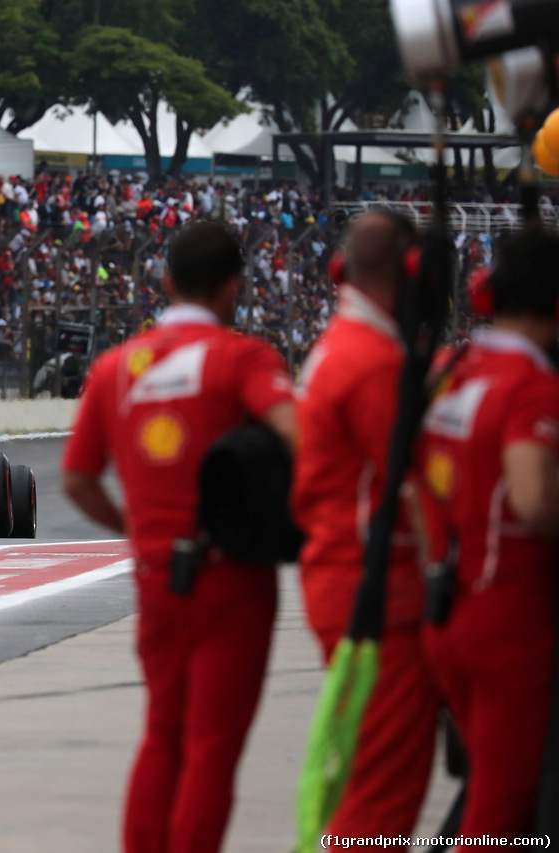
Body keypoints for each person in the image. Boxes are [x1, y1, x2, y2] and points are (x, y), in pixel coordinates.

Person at [61, 221, 295, 853]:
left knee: (162, 733)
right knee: (212, 747)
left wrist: (135, 529)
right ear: (234, 289)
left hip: (158, 575)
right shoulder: (241, 358)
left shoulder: (114, 367)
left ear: (166, 282)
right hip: (233, 576)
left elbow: (77, 478)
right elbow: (297, 431)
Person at [290, 211, 438, 845]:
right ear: (410, 271)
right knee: (383, 794)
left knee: (367, 779)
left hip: (345, 577)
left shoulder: (340, 346)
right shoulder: (373, 361)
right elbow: (416, 490)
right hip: (379, 593)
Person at [416, 225, 559, 840]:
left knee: (485, 795)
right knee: (503, 807)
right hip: (510, 619)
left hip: (446, 605)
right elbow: (532, 499)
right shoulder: (533, 389)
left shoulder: (448, 370)